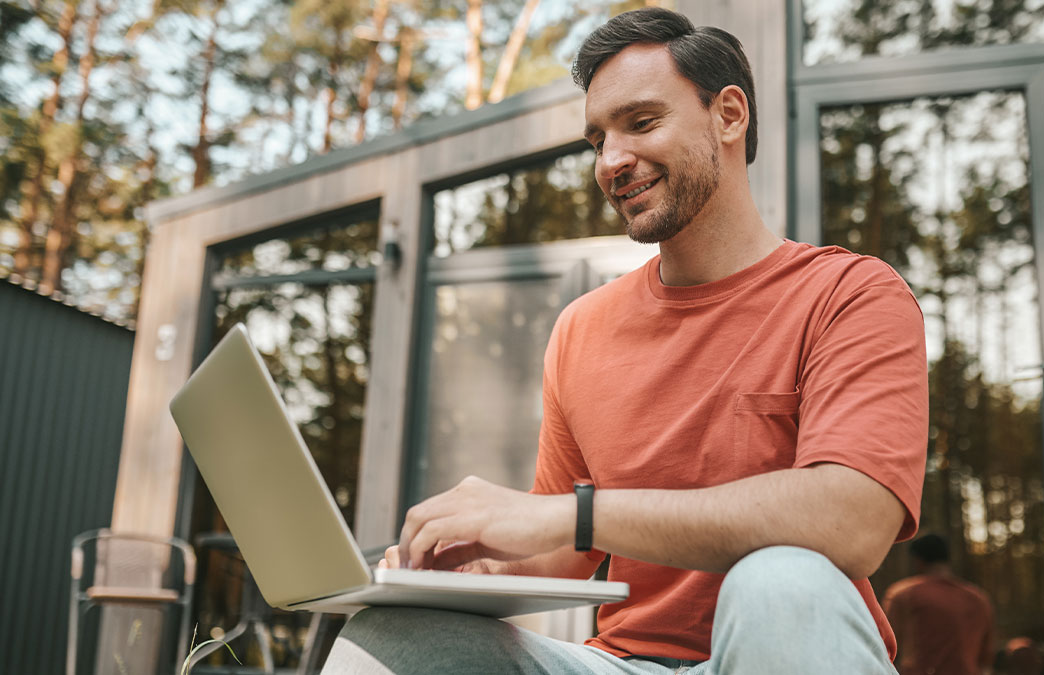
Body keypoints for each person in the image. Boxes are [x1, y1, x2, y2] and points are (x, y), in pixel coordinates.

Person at [324, 7, 928, 673]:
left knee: (781, 579)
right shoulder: (582, 327)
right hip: (623, 664)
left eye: (641, 123)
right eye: (597, 139)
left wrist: (575, 516)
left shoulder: (850, 293)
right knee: (392, 635)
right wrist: (469, 557)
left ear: (729, 115)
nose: (612, 160)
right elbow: (569, 551)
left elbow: (854, 521)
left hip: (790, 647)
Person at [883, 534, 996, 675]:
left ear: (918, 560)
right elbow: (986, 660)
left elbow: (884, 647)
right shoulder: (978, 598)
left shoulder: (903, 594)